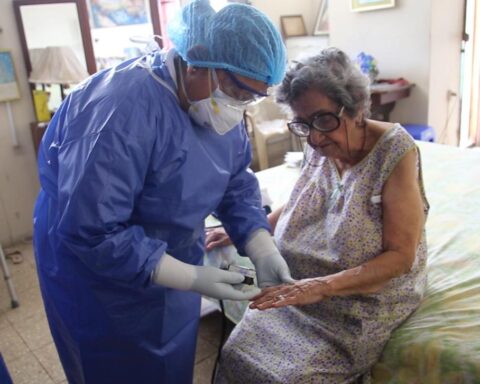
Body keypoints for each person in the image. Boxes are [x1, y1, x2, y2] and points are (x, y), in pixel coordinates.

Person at [32, 1, 293, 383]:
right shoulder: (118, 111)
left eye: (253, 96)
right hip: (97, 279)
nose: (241, 105)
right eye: (239, 91)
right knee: (113, 369)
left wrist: (260, 245)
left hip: (172, 256)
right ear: (197, 63)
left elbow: (234, 181)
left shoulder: (217, 105)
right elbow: (92, 229)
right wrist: (190, 277)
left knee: (168, 363)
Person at [208, 47, 429, 383]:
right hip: (298, 288)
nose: (314, 137)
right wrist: (254, 228)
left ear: (356, 107)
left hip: (356, 300)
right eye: (303, 124)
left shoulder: (395, 153)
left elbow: (400, 256)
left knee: (292, 378)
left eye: (324, 120)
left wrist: (322, 287)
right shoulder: (322, 141)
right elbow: (305, 200)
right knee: (236, 353)